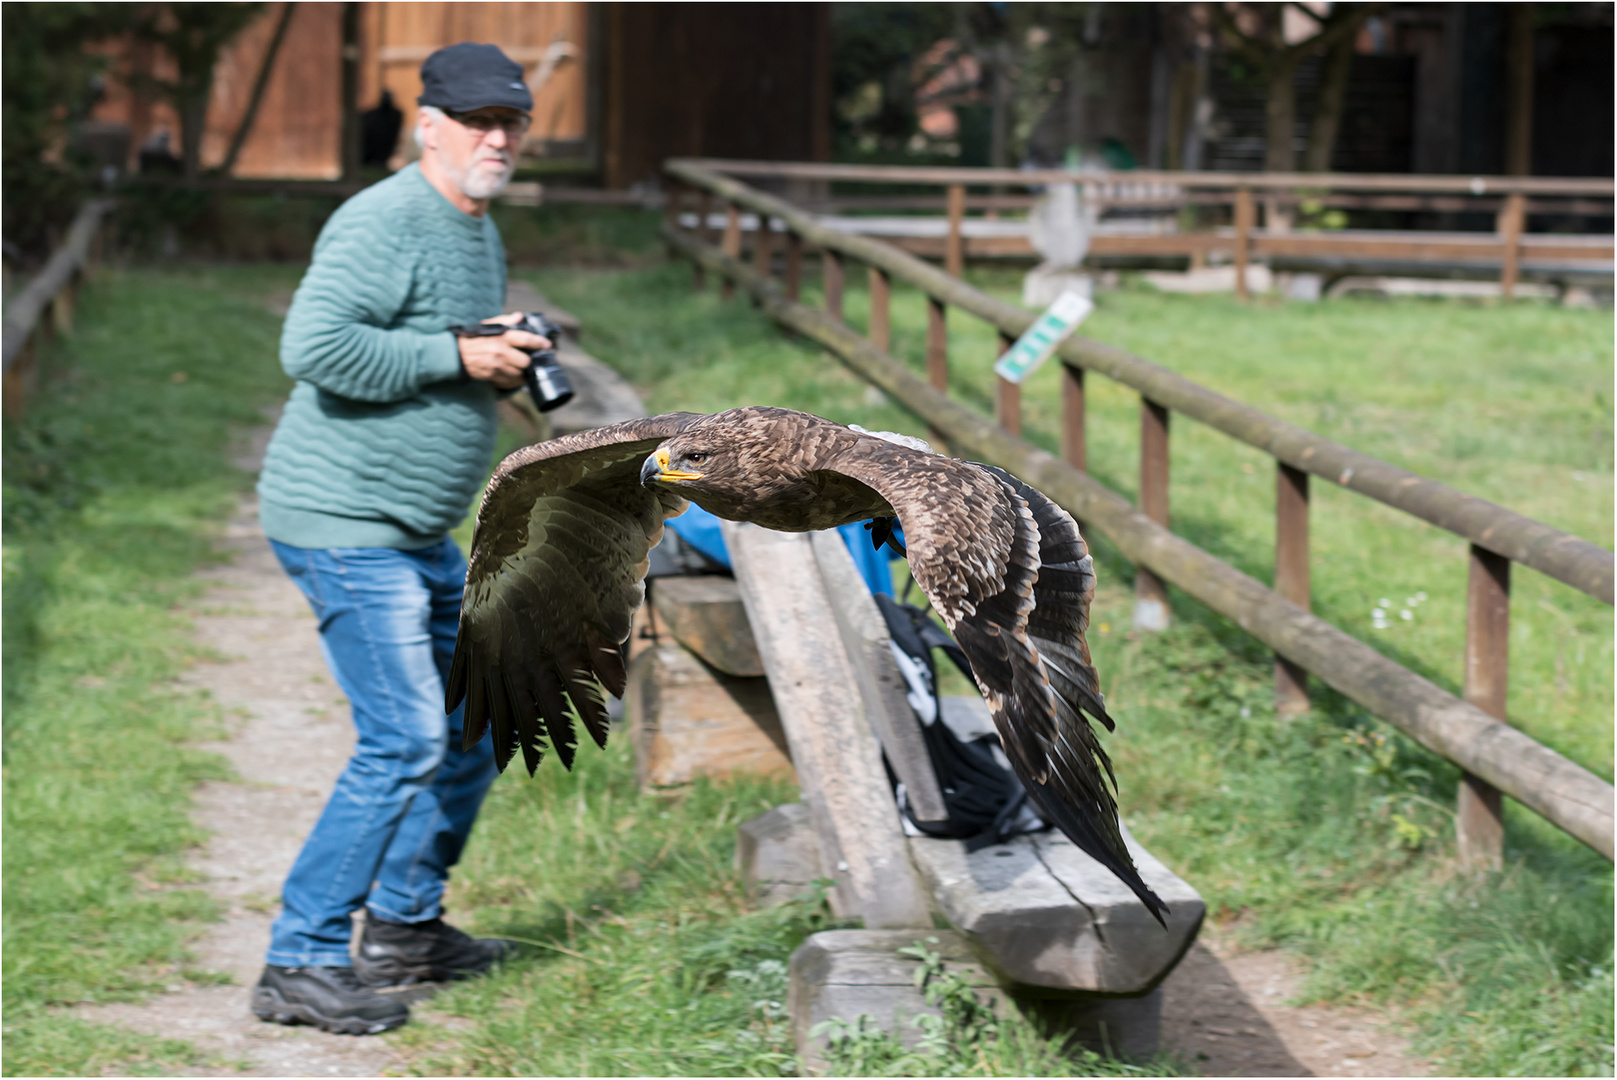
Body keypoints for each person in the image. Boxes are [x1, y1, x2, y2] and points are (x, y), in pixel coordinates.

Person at [248, 43, 546, 1036]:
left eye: (511, 121)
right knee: (407, 736)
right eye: (476, 120)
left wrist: (490, 354)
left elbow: (436, 343)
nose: (496, 138)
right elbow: (316, 348)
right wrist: (454, 354)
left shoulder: (475, 223)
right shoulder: (385, 219)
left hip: (416, 529)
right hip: (345, 525)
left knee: (479, 719)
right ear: (428, 123)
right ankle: (300, 958)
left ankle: (407, 928)